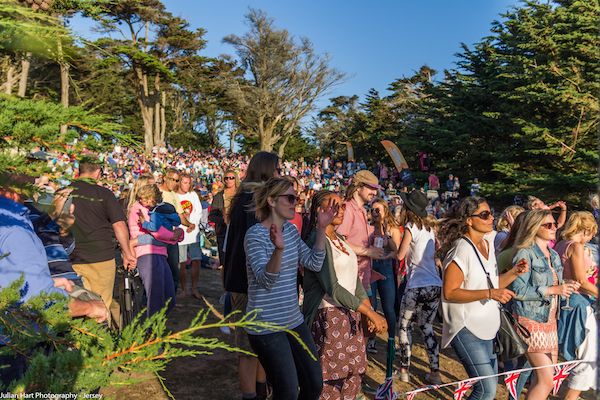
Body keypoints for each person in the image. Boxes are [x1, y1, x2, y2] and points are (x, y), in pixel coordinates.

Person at [0, 189, 108, 385]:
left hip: (50, 290)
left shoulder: (27, 212)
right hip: (22, 333)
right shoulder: (12, 223)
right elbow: (38, 300)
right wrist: (90, 307)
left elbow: (62, 248)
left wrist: (63, 227)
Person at [244, 177, 334, 400]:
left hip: (293, 320)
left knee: (314, 384)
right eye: (291, 198)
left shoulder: (292, 232)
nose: (296, 202)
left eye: (297, 198)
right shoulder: (254, 235)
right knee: (287, 391)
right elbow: (266, 280)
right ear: (272, 201)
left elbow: (313, 262)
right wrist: (278, 250)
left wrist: (321, 229)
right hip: (265, 326)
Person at [440, 196, 528, 400]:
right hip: (465, 328)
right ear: (469, 220)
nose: (491, 218)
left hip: (487, 328)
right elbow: (450, 292)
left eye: (491, 213)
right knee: (486, 388)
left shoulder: (487, 244)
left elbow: (491, 283)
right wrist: (490, 294)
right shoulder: (460, 249)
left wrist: (515, 272)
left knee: (488, 389)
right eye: (484, 215)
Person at [302, 190, 387, 400]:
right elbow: (333, 287)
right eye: (334, 206)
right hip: (328, 317)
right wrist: (370, 312)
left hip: (351, 313)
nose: (340, 210)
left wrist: (368, 313)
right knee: (331, 382)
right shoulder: (317, 239)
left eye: (342, 206)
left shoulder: (340, 239)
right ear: (320, 211)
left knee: (353, 376)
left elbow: (355, 281)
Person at [223, 151, 279, 400]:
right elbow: (252, 248)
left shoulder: (250, 196)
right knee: (247, 345)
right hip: (247, 283)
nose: (279, 174)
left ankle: (260, 388)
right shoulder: (251, 200)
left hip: (250, 281)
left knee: (262, 342)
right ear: (267, 171)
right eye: (276, 170)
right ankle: (251, 394)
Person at [510, 210, 579, 400]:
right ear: (534, 227)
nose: (554, 227)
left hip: (550, 322)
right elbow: (517, 291)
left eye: (554, 224)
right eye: (548, 225)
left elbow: (555, 283)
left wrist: (567, 285)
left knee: (544, 380)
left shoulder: (553, 254)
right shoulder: (525, 252)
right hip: (529, 321)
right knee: (546, 380)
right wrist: (552, 290)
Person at [69, 157, 136, 325]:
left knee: (76, 304)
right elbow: (119, 225)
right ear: (98, 173)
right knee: (101, 306)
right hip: (101, 257)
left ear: (79, 170)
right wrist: (127, 253)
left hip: (71, 257)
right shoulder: (104, 194)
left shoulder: (65, 192)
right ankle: (99, 346)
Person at [336, 170, 385, 356]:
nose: (374, 192)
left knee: (362, 331)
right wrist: (367, 251)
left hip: (363, 278)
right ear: (358, 187)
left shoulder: (362, 211)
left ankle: (355, 375)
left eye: (376, 189)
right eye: (371, 188)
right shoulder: (348, 209)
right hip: (350, 282)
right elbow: (337, 242)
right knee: (353, 331)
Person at [395, 190, 442, 384]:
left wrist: (390, 251)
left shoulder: (410, 226)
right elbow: (436, 250)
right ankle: (435, 372)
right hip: (434, 284)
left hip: (416, 284)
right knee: (427, 326)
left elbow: (400, 254)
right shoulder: (430, 229)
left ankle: (404, 369)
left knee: (405, 326)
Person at [554, 212, 598, 400]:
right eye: (591, 233)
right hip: (579, 303)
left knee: (578, 356)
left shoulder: (560, 244)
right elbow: (580, 279)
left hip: (566, 301)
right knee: (587, 358)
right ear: (586, 230)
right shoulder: (576, 246)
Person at [128, 184, 180, 317]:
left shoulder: (155, 209)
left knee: (169, 298)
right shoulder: (138, 209)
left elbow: (160, 231)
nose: (144, 202)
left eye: (147, 199)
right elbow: (155, 231)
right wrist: (172, 236)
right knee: (155, 298)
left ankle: (153, 326)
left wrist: (175, 235)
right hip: (147, 253)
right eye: (142, 199)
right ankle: (150, 331)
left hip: (160, 253)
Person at [369, 199, 399, 353]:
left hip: (385, 268)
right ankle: (372, 339)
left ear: (385, 211)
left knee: (388, 307)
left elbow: (397, 252)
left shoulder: (392, 229)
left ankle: (392, 339)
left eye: (378, 210)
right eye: (373, 209)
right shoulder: (367, 227)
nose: (375, 212)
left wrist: (385, 235)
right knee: (372, 305)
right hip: (371, 267)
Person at [159, 168, 195, 293]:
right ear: (165, 178)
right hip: (158, 237)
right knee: (158, 271)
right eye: (172, 179)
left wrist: (189, 224)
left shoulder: (173, 194)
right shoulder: (157, 193)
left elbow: (180, 215)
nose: (175, 183)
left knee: (174, 270)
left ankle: (170, 300)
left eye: (177, 180)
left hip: (172, 238)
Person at [176, 173, 203, 298]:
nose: (187, 185)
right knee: (181, 262)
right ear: (179, 182)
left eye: (189, 183)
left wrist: (192, 224)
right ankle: (183, 289)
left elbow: (198, 211)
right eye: (184, 182)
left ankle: (194, 288)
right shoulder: (174, 196)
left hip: (193, 233)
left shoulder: (193, 195)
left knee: (196, 260)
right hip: (180, 233)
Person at [209, 169, 239, 265]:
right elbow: (212, 216)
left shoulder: (241, 195)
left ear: (236, 179)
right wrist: (224, 219)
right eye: (226, 178)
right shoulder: (218, 196)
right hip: (223, 232)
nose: (229, 180)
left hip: (238, 232)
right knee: (225, 264)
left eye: (231, 178)